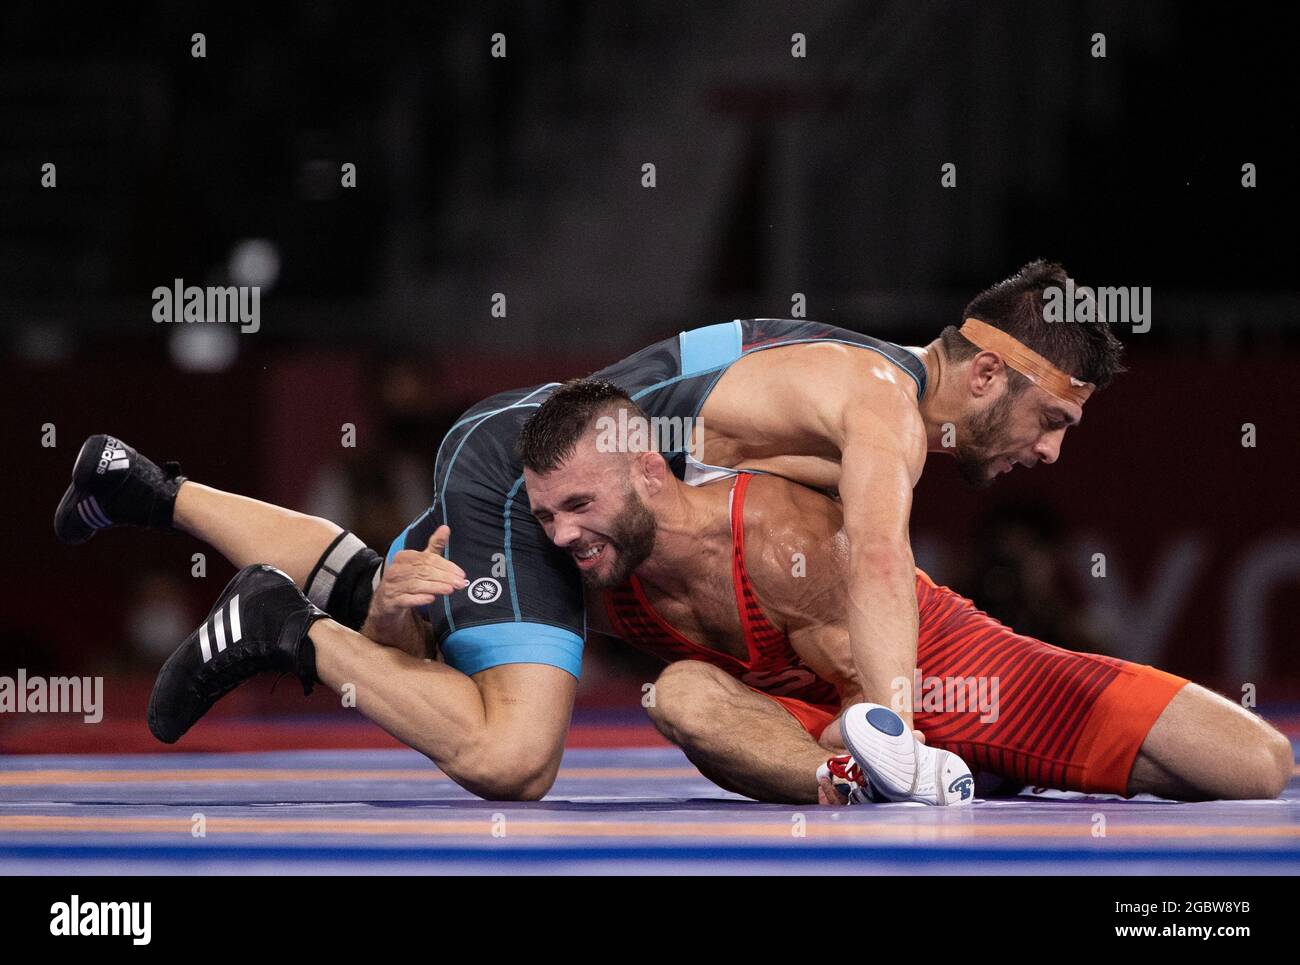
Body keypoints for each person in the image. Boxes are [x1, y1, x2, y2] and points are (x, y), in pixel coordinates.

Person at [56, 260, 1123, 802]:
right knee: (514, 755)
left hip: (540, 442)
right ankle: (286, 630)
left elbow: (686, 356)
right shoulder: (885, 405)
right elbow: (883, 556)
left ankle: (143, 484)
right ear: (992, 372)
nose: (1052, 451)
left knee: (385, 595)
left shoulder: (850, 362)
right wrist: (895, 729)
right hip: (541, 466)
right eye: (1056, 421)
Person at [515, 379, 1294, 804]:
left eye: (579, 507)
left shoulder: (779, 536)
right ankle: (855, 787)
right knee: (680, 693)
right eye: (546, 515)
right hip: (838, 740)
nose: (561, 537)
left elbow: (876, 698)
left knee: (1255, 765)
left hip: (942, 678)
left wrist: (897, 739)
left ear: (650, 471)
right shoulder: (591, 569)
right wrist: (398, 594)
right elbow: (461, 642)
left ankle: (955, 770)